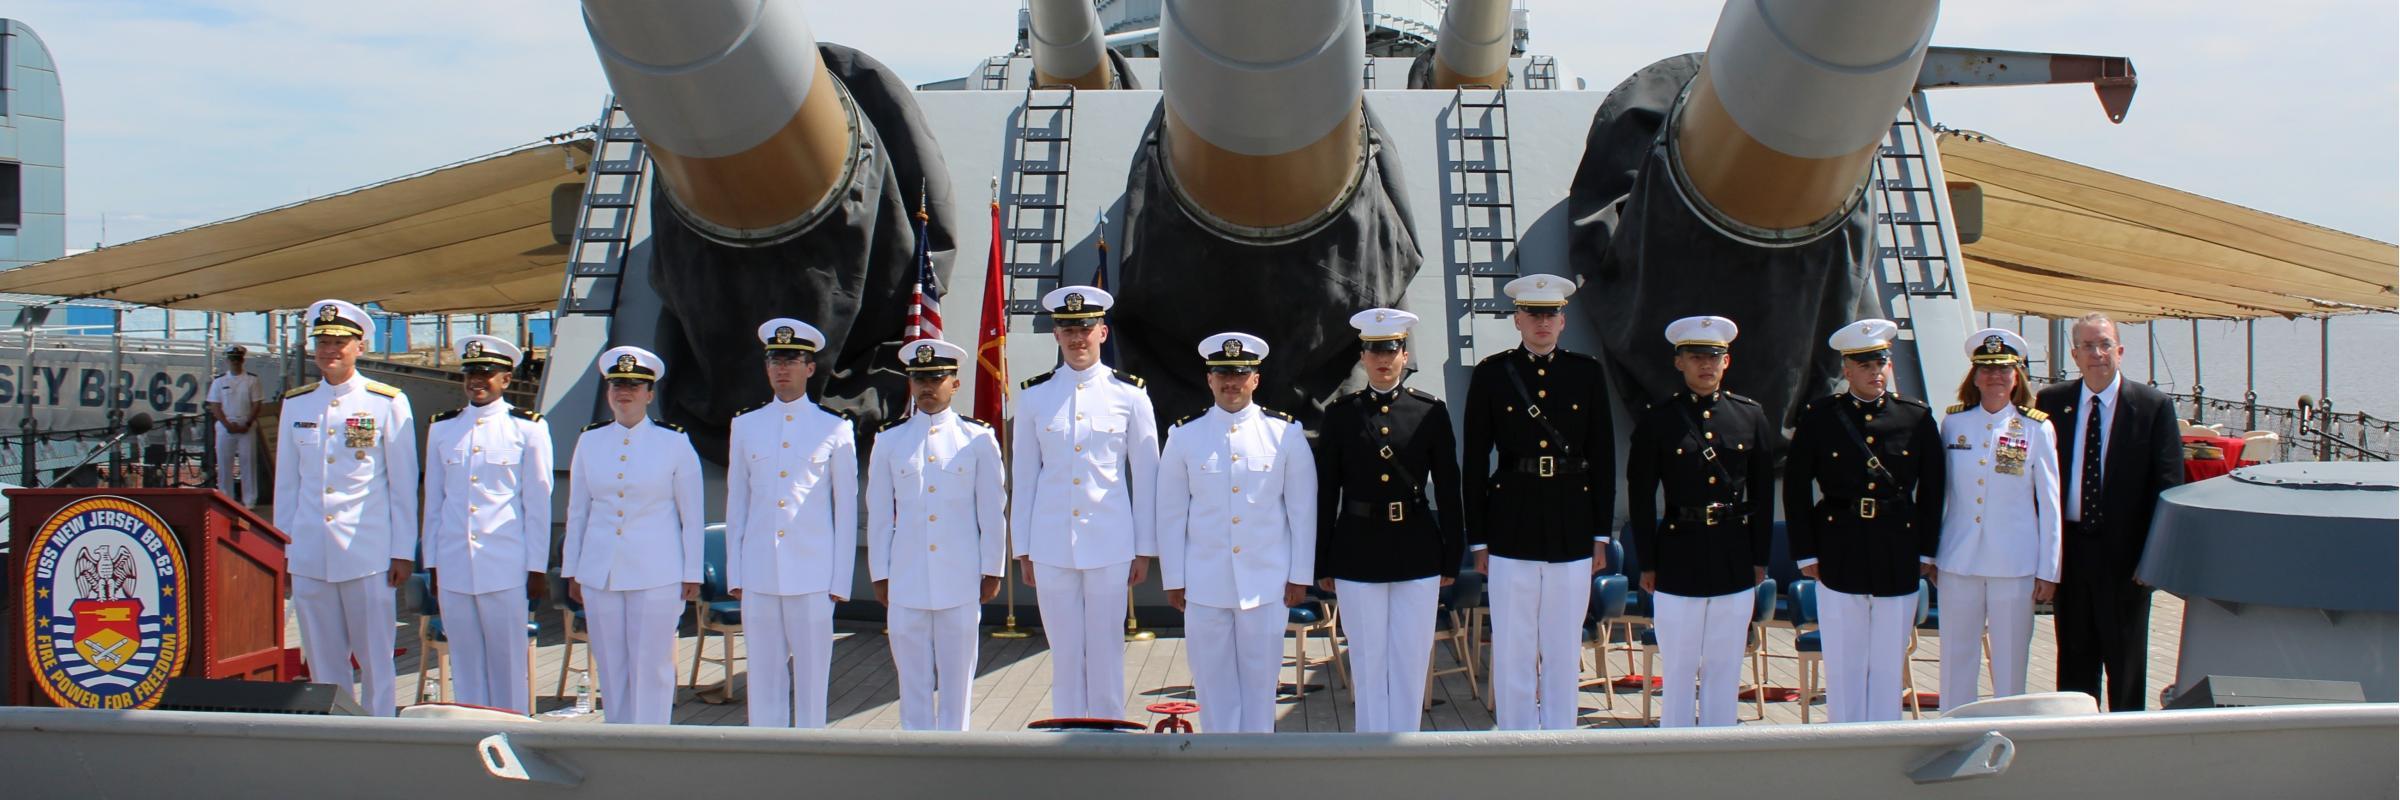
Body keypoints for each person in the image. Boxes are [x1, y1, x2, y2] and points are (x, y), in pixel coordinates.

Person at [1462, 274, 1615, 731]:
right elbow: (1474, 461)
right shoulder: (1492, 374)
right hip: (1512, 522)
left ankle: (1562, 733)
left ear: (1563, 321)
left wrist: (1600, 535)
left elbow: (1603, 457)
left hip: (1572, 521)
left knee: (1564, 642)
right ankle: (1515, 733)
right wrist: (1479, 540)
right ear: (1518, 319)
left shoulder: (1586, 373)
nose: (1542, 322)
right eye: (1533, 314)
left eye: (1551, 314)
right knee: (1513, 642)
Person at [1010, 285, 1160, 720]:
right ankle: (1067, 733)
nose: (1077, 338)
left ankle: (1108, 729)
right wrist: (1023, 549)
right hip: (1051, 544)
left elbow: (1146, 476)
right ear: (1056, 335)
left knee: (1106, 648)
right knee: (1063, 650)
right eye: (1068, 329)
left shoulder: (1130, 396)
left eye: (1086, 328)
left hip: (1110, 544)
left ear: (1103, 332)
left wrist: (1144, 548)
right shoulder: (1035, 396)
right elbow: (1025, 477)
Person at [1783, 319, 1943, 723]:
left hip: (1897, 548)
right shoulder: (1821, 418)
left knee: (1888, 663)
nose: (1876, 372)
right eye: (1866, 365)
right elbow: (1797, 488)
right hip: (1840, 547)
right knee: (1844, 660)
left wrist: (1927, 549)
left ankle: (1883, 739)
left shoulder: (1916, 418)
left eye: (1881, 363)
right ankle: (1843, 738)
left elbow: (1934, 490)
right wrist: (1805, 551)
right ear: (1847, 370)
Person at [1157, 332, 1316, 733]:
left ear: (1255, 379)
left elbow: (1302, 512)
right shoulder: (1184, 436)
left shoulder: (1284, 435)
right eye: (1222, 374)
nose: (1231, 382)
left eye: (1240, 374)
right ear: (1209, 379)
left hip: (1266, 585)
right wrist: (1174, 578)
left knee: (1261, 690)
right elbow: (1171, 514)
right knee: (1213, 690)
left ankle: (1257, 774)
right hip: (1205, 584)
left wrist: (1300, 576)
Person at [1313, 308, 1462, 733]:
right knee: (1366, 658)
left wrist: (1452, 557)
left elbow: (1449, 490)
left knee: (1411, 659)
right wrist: (1323, 561)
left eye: (1391, 348)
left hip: (1416, 550)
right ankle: (1370, 749)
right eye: (1375, 350)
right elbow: (1327, 493)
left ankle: (1408, 749)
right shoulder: (1342, 415)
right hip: (1357, 550)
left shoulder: (1429, 412)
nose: (1383, 358)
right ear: (1363, 356)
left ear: (1404, 353)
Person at [1626, 315, 1774, 728]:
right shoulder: (1658, 420)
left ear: (1726, 362)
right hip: (1678, 553)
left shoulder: (1749, 416)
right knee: (1678, 666)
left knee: (1725, 667)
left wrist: (1758, 557)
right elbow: (1640, 496)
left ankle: (1719, 745)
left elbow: (1762, 493)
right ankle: (1674, 743)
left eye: (1715, 356)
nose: (1706, 365)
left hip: (1733, 553)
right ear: (1679, 362)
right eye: (1696, 357)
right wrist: (1648, 562)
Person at [275, 299, 418, 717]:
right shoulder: (297, 404)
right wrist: (284, 551)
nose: (329, 349)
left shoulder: (386, 402)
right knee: (323, 662)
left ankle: (381, 733)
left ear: (360, 346)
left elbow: (403, 486)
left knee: (376, 659)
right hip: (309, 553)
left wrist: (402, 551)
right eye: (322, 341)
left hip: (367, 553)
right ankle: (334, 732)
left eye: (340, 341)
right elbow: (287, 485)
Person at [2037, 313, 2183, 711]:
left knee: (2126, 664)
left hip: (2126, 561)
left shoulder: (2153, 407)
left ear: (2119, 350)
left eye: (2104, 344)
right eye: (2088, 346)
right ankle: (2074, 743)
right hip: (2072, 555)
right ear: (2074, 354)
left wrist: (2153, 561)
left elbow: (2170, 489)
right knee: (2074, 665)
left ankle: (2127, 747)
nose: (2097, 354)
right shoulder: (2052, 403)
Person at [866, 338, 1006, 731]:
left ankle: (956, 754)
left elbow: (992, 510)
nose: (927, 387)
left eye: (936, 378)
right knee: (911, 681)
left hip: (960, 578)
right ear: (910, 383)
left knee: (958, 680)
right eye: (919, 379)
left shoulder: (977, 439)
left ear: (954, 384)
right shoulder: (890, 439)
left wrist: (992, 569)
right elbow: (879, 513)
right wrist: (881, 572)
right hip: (907, 578)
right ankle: (915, 755)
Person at [562, 346, 704, 725]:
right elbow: (578, 511)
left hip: (657, 570)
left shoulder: (673, 442)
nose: (624, 392)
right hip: (600, 570)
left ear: (649, 393)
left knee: (653, 664)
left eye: (635, 385)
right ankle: (617, 736)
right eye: (617, 384)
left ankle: (652, 738)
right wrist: (573, 569)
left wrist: (692, 572)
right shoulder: (590, 441)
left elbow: (692, 514)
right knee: (610, 663)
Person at [726, 319, 857, 728]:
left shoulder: (834, 428)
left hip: (813, 574)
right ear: (766, 368)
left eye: (793, 360)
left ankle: (812, 755)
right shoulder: (745, 425)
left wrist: (840, 580)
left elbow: (846, 508)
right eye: (775, 360)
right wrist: (736, 572)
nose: (782, 368)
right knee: (763, 678)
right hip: (760, 572)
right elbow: (738, 503)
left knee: (813, 678)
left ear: (810, 368)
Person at [420, 334, 553, 714]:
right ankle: (471, 732)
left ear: (506, 379)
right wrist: (432, 562)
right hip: (455, 563)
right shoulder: (444, 429)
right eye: (471, 373)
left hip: (504, 564)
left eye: (487, 373)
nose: (477, 381)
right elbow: (434, 501)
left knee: (507, 661)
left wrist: (535, 567)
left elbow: (537, 505)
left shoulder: (527, 429)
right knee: (464, 660)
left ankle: (512, 730)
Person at [1935, 328, 2061, 709]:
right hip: (1959, 560)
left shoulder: (2036, 427)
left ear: (2017, 376)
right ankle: (1952, 729)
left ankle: (2009, 728)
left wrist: (2048, 570)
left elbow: (2050, 503)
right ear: (1974, 376)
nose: (1996, 377)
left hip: (2014, 563)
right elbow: (1941, 495)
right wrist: (1931, 554)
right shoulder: (1954, 424)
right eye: (1987, 369)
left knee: (2009, 662)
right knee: (1956, 657)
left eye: (2004, 370)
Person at [206, 345, 264, 505]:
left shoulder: (252, 380)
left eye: (237, 359)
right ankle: (226, 499)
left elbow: (257, 404)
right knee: (224, 463)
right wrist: (226, 424)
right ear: (227, 361)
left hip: (246, 422)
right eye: (232, 359)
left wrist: (247, 422)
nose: (235, 362)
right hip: (226, 424)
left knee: (248, 462)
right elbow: (215, 406)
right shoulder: (219, 381)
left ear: (242, 360)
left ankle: (249, 501)